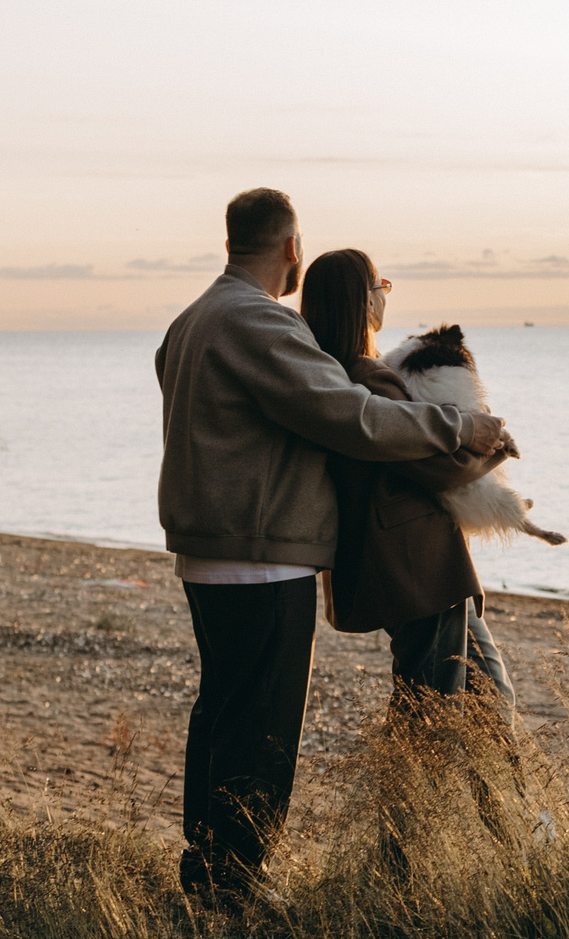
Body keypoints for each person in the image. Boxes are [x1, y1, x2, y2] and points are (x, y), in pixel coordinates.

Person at [153, 188, 511, 901]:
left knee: (221, 712)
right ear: (290, 248)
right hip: (259, 557)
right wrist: (457, 429)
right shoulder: (257, 322)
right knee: (262, 724)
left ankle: (210, 869)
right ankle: (238, 881)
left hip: (207, 550)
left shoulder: (191, 322)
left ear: (230, 242)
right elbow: (356, 418)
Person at [297, 248, 518, 716]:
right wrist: (494, 447)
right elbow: (433, 467)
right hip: (417, 568)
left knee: (481, 699)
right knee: (438, 707)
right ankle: (417, 790)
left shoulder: (331, 375)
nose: (385, 296)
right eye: (380, 286)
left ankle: (482, 789)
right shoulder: (370, 378)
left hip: (403, 567)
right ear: (364, 302)